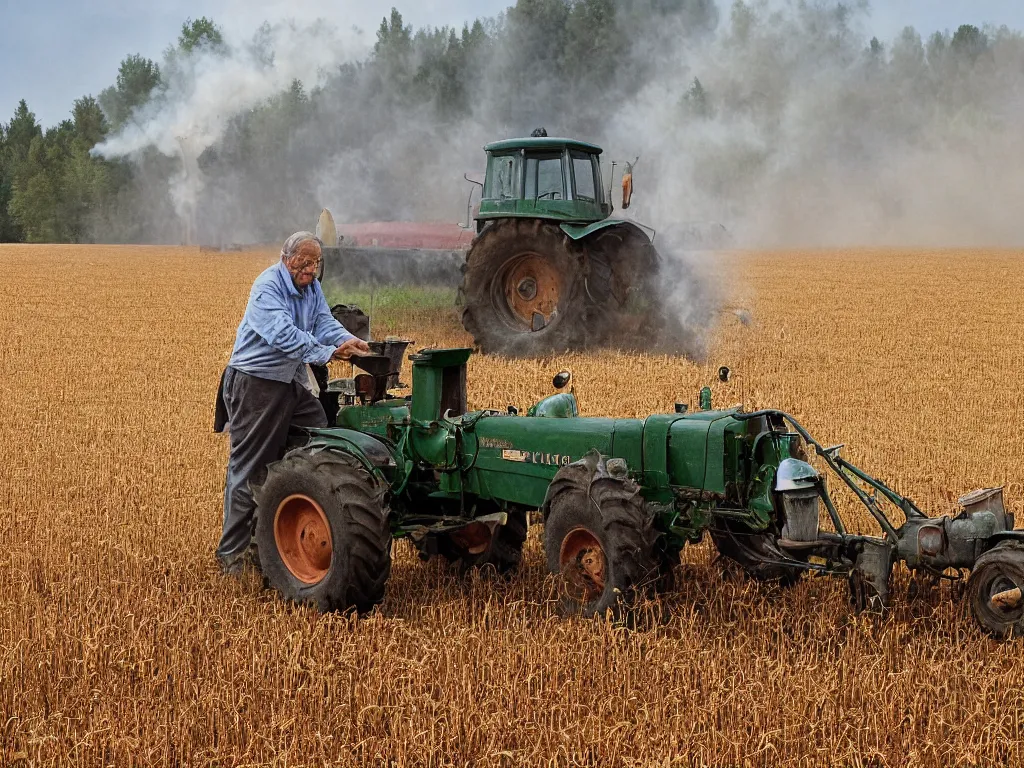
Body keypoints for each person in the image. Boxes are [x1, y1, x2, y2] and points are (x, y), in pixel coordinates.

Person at [214, 231, 370, 574]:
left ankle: (300, 508)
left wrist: (350, 341)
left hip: (289, 382)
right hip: (255, 384)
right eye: (304, 263)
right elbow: (284, 336)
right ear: (287, 260)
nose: (311, 270)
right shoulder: (267, 287)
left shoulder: (311, 288)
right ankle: (232, 556)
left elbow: (324, 322)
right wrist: (329, 352)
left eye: (316, 263)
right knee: (251, 467)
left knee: (322, 439)